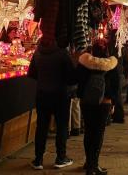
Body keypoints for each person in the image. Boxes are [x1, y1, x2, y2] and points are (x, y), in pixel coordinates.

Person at [27, 40, 75, 170]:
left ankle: (38, 159)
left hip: (42, 94)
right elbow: (71, 77)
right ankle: (60, 157)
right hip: (60, 95)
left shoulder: (37, 52)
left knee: (41, 127)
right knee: (61, 127)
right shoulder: (62, 53)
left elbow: (31, 73)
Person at [77, 41, 118, 175]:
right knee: (98, 134)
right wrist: (113, 102)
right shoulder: (112, 64)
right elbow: (116, 86)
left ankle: (89, 162)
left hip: (86, 101)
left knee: (88, 132)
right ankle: (93, 165)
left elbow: (77, 80)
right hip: (104, 103)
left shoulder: (84, 62)